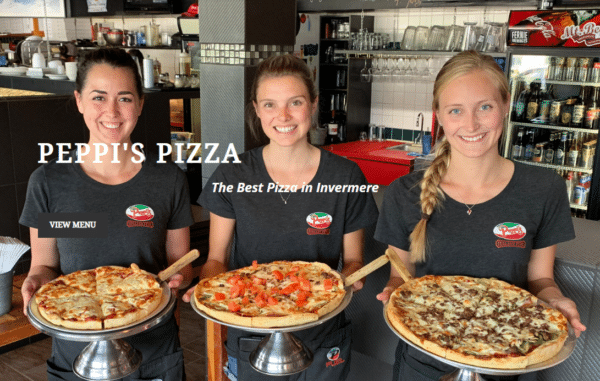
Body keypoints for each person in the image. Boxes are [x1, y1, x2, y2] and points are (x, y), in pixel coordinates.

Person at [375, 51, 586, 381]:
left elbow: (540, 280)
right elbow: (400, 276)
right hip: (424, 359)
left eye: (484, 107)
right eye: (456, 110)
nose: (471, 124)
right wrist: (393, 292)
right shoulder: (404, 192)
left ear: (505, 105)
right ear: (439, 117)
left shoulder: (544, 189)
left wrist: (556, 301)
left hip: (506, 356)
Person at [182, 54, 379, 381]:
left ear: (313, 105)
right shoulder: (232, 174)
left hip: (321, 328)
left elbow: (355, 260)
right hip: (252, 328)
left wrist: (353, 275)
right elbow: (216, 259)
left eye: (295, 102)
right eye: (270, 104)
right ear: (257, 109)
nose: (283, 116)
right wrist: (208, 284)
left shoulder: (346, 175)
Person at [19, 48, 194, 381]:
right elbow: (45, 266)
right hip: (76, 352)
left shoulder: (168, 179)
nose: (112, 112)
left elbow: (179, 261)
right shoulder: (48, 182)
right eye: (99, 97)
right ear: (79, 100)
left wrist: (179, 278)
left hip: (152, 351)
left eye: (125, 98)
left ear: (141, 104)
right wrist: (35, 281)